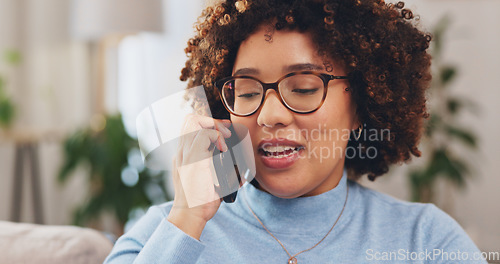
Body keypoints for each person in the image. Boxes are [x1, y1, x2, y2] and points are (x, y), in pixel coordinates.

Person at [105, 0, 485, 263]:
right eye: (248, 91)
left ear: (362, 105)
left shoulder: (425, 240)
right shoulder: (164, 231)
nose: (270, 115)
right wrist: (187, 218)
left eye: (303, 88)